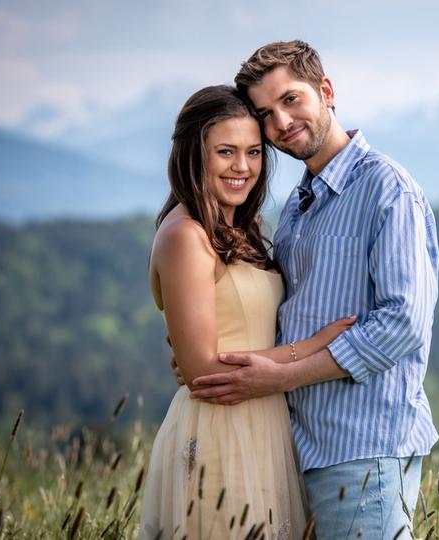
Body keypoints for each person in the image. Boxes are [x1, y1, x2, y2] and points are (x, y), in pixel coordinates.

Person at [184, 41, 439, 539]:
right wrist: (214, 358)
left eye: (291, 99)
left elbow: (402, 323)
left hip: (362, 446)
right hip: (296, 446)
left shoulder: (386, 189)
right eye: (266, 113)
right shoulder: (300, 206)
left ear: (326, 91)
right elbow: (287, 314)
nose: (280, 122)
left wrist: (282, 377)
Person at [139, 85, 355, 540]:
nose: (243, 167)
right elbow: (203, 370)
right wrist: (315, 347)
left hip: (265, 426)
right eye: (225, 152)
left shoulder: (237, 230)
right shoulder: (186, 237)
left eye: (254, 152)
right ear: (192, 156)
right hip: (221, 431)